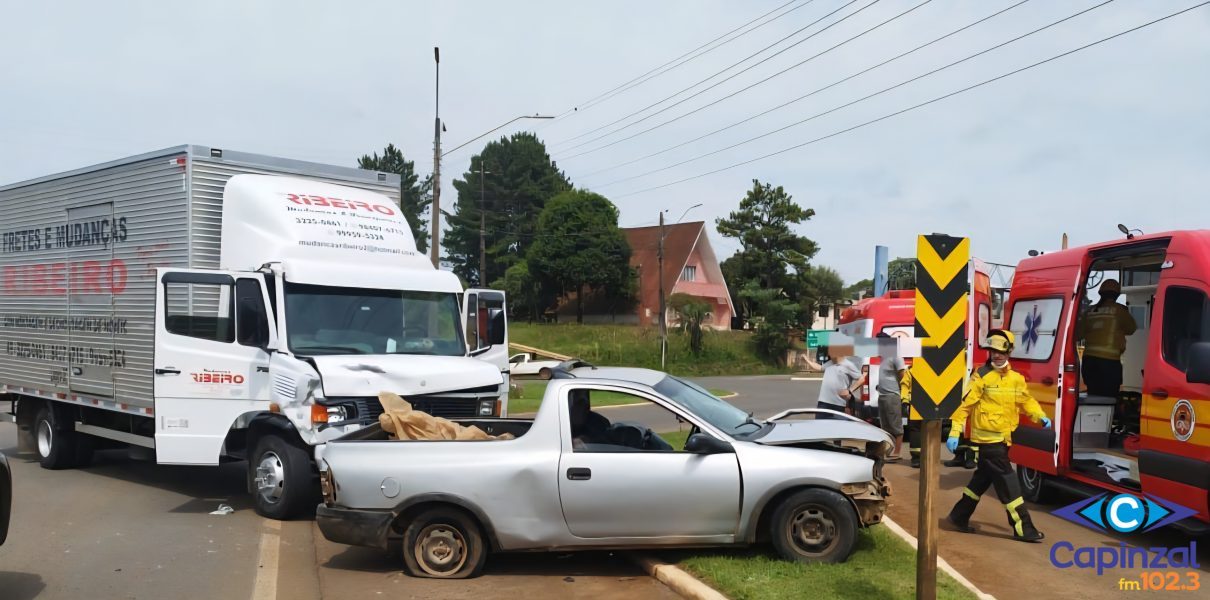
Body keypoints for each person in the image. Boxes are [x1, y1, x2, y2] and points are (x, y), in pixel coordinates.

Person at [945, 329, 1052, 543]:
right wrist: (955, 431)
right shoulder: (981, 376)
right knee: (1009, 484)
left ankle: (958, 517)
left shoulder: (1016, 379)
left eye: (1001, 351)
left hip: (1003, 441)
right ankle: (1024, 528)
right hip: (988, 443)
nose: (996, 355)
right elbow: (964, 407)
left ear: (1009, 352)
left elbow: (1025, 401)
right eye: (993, 351)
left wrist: (1039, 415)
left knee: (981, 480)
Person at [1077, 279, 1138, 397]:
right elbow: (1131, 329)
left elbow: (1079, 334)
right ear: (1117, 295)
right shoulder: (1119, 310)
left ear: (1100, 293)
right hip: (1109, 363)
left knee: (1093, 396)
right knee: (1109, 399)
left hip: (1089, 361)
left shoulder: (1089, 311)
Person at [875, 333, 906, 461]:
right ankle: (888, 450)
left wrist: (901, 391)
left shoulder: (896, 356)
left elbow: (902, 375)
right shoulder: (884, 357)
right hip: (882, 396)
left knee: (896, 426)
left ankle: (897, 453)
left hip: (892, 396)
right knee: (885, 426)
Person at [815, 344, 865, 419]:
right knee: (820, 428)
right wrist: (806, 359)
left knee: (838, 428)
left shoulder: (848, 365)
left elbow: (862, 379)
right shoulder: (830, 363)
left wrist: (849, 390)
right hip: (823, 403)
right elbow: (820, 368)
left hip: (838, 404)